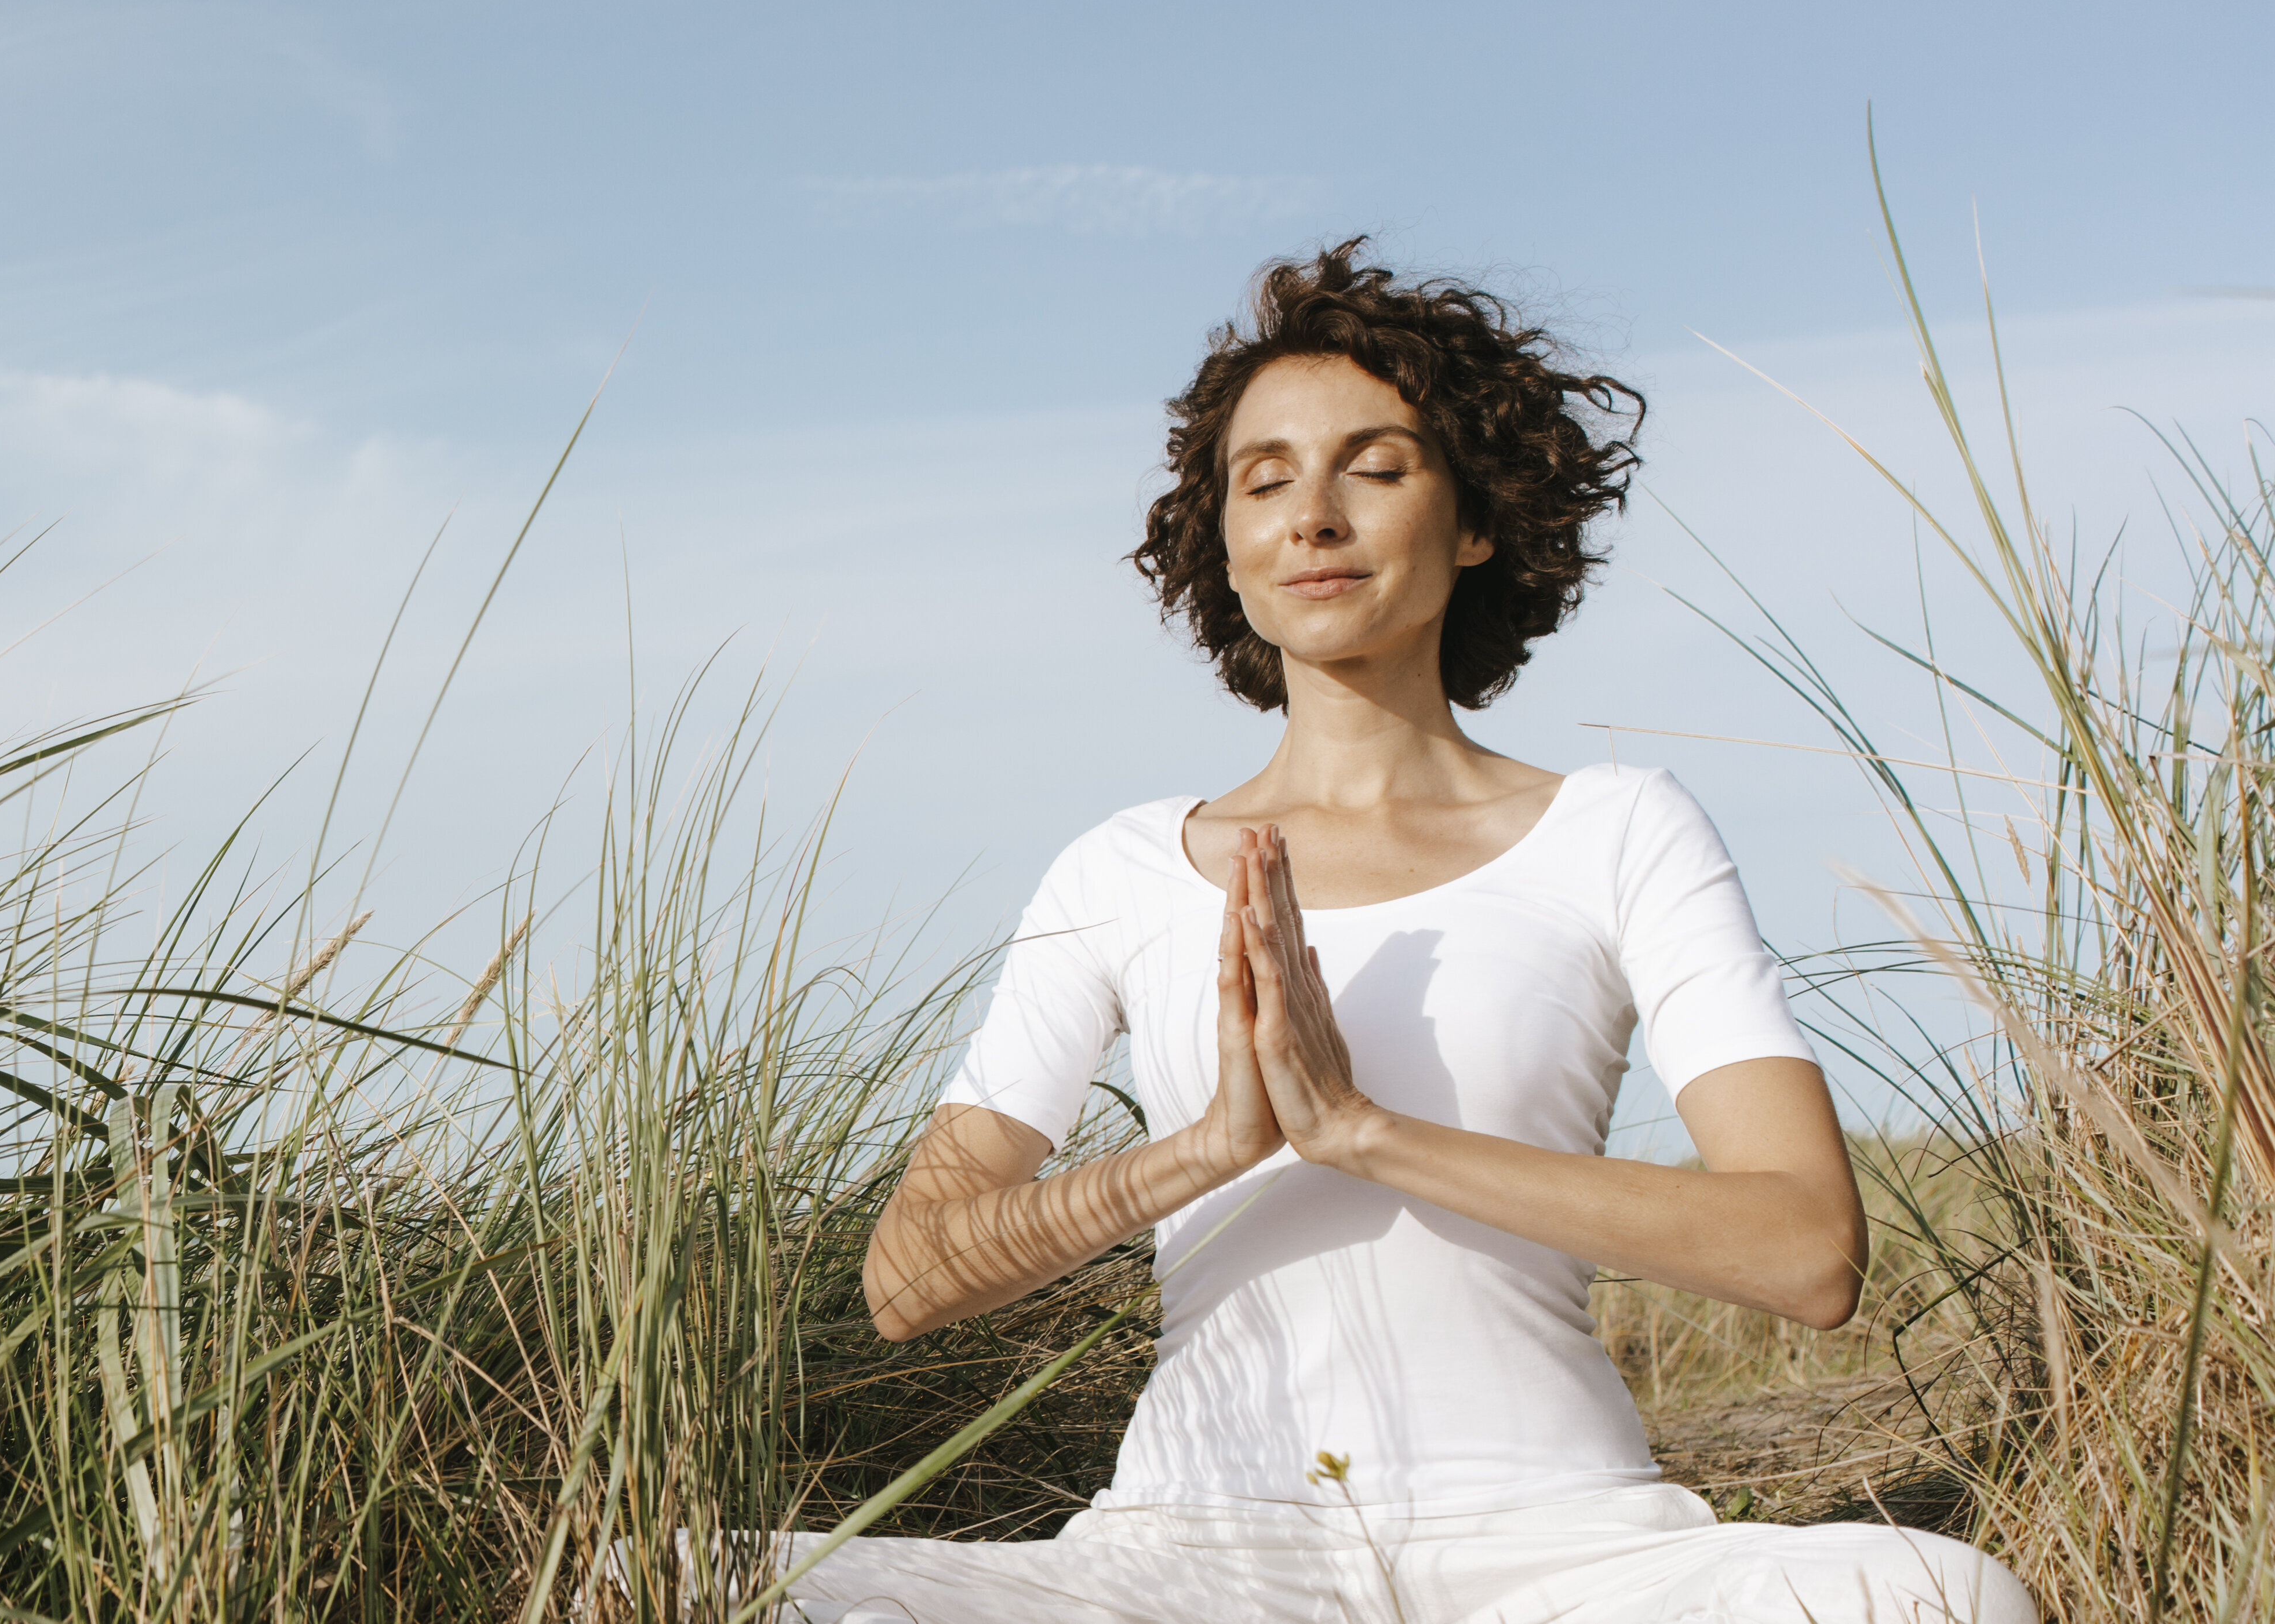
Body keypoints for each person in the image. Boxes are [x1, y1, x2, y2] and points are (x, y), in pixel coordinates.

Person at [774, 243, 2034, 1622]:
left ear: (1475, 520)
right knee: (679, 1577)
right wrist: (1202, 1149)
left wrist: (1363, 1131)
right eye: (1263, 481)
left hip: (1568, 1552)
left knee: (1935, 1593)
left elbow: (1802, 1251)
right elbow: (906, 1279)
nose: (1312, 515)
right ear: (1228, 547)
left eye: (1373, 468)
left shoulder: (1617, 829)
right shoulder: (1124, 866)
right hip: (1184, 1559)